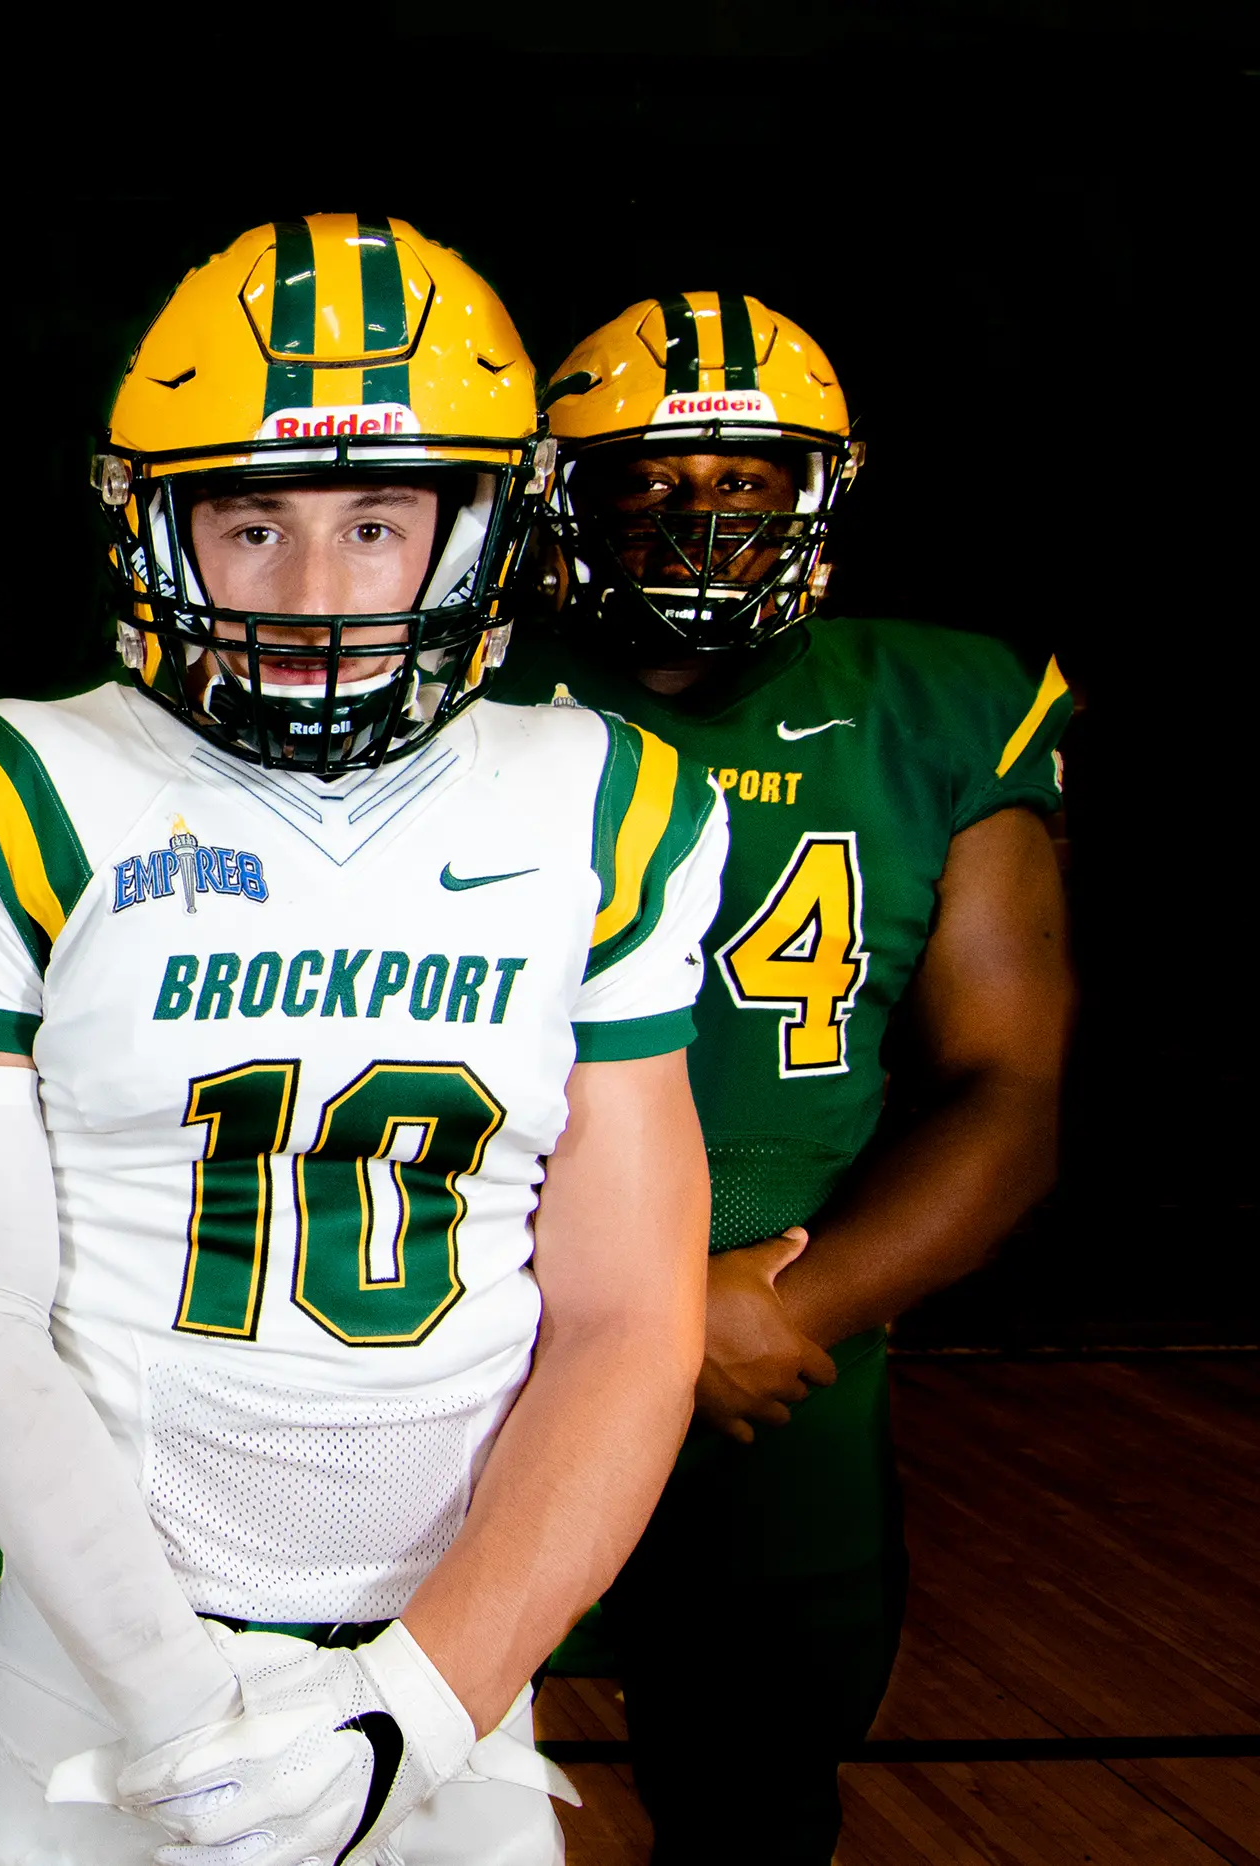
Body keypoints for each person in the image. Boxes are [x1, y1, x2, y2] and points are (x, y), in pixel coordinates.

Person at [0, 214, 730, 1866]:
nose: (317, 594)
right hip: (103, 1656)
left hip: (457, 1651)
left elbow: (629, 1322)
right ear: (158, 524)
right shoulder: (2, 793)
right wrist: (182, 1709)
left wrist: (410, 1705)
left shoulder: (606, 802)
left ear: (476, 532)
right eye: (253, 523)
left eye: (376, 524)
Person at [501, 291, 1074, 1864]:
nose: (699, 516)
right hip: (473, 1337)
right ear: (566, 496)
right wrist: (649, 1320)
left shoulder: (936, 703)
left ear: (818, 490)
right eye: (649, 477)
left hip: (779, 1361)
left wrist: (772, 1312)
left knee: (753, 1811)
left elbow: (1010, 1092)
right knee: (396, 1790)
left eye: (743, 478)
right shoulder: (464, 697)